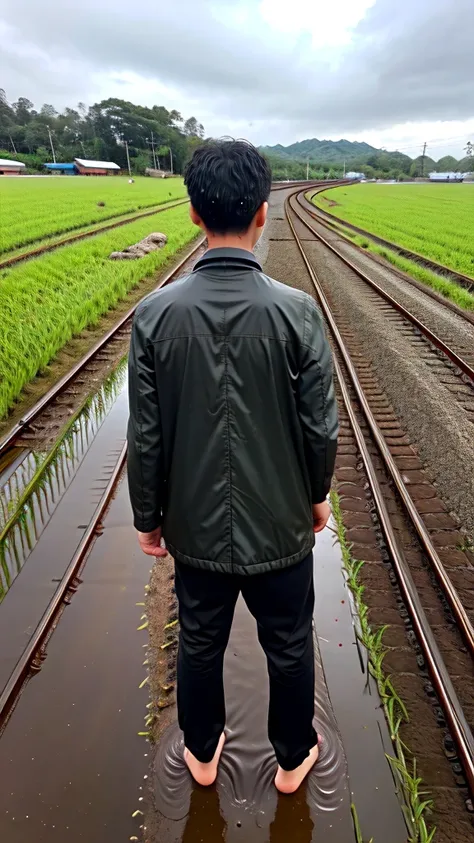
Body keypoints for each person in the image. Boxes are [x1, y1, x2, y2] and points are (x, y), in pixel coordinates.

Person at [127, 140, 338, 795]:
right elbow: (319, 426)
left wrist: (148, 518)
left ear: (193, 214)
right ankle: (293, 756)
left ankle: (201, 750)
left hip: (193, 529)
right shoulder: (298, 311)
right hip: (281, 526)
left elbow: (148, 433)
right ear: (262, 214)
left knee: (197, 638)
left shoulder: (155, 316)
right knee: (289, 641)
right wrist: (316, 498)